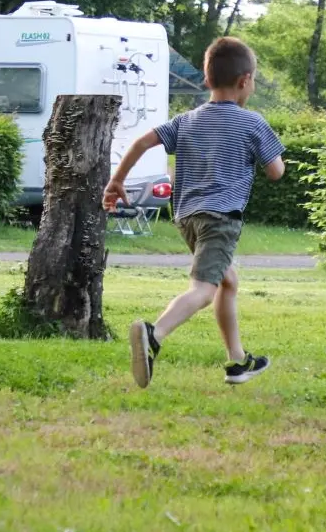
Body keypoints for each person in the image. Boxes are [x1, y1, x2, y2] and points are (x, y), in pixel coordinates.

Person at [104, 36, 286, 388]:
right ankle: (154, 335)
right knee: (204, 289)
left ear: (206, 80)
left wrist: (116, 182)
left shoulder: (186, 120)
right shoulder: (253, 123)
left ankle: (237, 361)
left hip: (187, 217)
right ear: (245, 80)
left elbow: (143, 141)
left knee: (227, 280)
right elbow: (276, 171)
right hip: (221, 218)